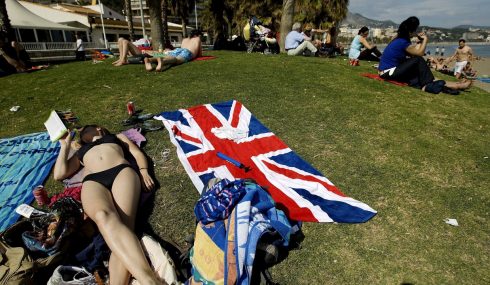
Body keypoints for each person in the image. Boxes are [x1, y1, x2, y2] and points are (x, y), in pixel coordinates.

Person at [53, 125, 163, 284]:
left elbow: (136, 152)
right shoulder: (80, 151)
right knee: (102, 217)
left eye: (84, 129)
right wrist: (65, 145)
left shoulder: (117, 137)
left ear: (98, 128)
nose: (81, 132)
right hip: (93, 181)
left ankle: (148, 280)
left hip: (120, 171)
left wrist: (143, 170)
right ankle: (149, 280)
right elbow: (59, 174)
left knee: (124, 226)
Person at [378, 16, 471, 94]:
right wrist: (425, 40)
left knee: (423, 75)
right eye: (415, 30)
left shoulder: (398, 38)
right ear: (410, 31)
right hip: (388, 72)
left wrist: (419, 42)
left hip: (389, 71)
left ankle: (457, 84)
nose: (416, 32)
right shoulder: (402, 42)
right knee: (419, 61)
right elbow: (419, 54)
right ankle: (432, 85)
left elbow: (412, 54)